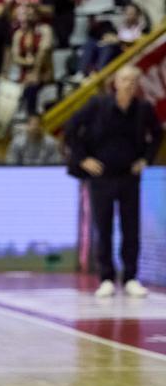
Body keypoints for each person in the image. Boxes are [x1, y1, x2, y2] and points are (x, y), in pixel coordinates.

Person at [66, 65, 162, 298]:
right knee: (104, 227)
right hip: (102, 177)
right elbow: (70, 128)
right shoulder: (98, 105)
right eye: (125, 79)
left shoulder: (143, 109)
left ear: (138, 85)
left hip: (129, 176)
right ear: (115, 83)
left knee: (131, 228)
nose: (129, 84)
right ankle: (106, 277)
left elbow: (158, 134)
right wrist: (83, 159)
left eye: (133, 80)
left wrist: (145, 159)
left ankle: (130, 277)